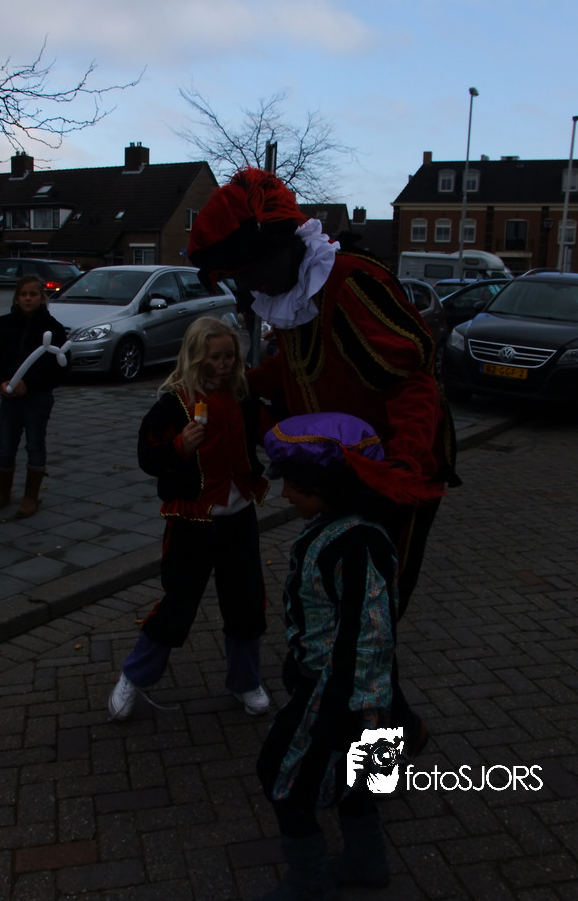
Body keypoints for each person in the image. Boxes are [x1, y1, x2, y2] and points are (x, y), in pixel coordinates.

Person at [187, 167, 460, 619]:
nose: (251, 285)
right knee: (335, 582)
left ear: (282, 247)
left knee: (376, 596)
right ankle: (330, 657)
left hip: (389, 463)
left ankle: (366, 664)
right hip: (336, 463)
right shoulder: (292, 294)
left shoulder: (351, 283)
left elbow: (411, 380)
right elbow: (296, 367)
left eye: (252, 272)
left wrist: (401, 466)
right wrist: (237, 385)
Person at [255, 412, 427, 900]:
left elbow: (370, 636)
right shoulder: (334, 527)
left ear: (328, 486)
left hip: (345, 695)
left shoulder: (359, 544)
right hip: (351, 689)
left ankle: (311, 882)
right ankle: (366, 862)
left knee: (282, 775)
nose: (285, 495)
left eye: (294, 486)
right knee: (362, 781)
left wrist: (342, 709)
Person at [107, 315, 271, 721]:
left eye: (229, 356)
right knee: (179, 603)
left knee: (246, 601)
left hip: (238, 515)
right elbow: (148, 457)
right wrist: (180, 446)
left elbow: (269, 432)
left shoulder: (243, 395)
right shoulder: (173, 402)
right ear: (196, 356)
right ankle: (134, 675)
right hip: (192, 520)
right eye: (215, 357)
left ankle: (245, 680)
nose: (223, 365)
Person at [0, 274, 68, 518]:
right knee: (5, 445)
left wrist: (30, 384)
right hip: (9, 398)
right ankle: (3, 492)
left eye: (33, 294)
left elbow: (60, 368)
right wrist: (0, 381)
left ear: (42, 298)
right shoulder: (3, 324)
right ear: (16, 297)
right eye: (24, 294)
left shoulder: (53, 328)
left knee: (35, 444)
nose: (28, 298)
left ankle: (31, 496)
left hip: (37, 398)